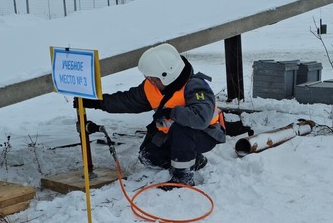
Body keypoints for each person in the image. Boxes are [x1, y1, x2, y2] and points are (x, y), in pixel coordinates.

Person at [81, 43, 226, 186]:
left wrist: (172, 112)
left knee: (181, 128)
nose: (151, 81)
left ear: (166, 76)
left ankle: (183, 177)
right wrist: (98, 103)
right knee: (148, 156)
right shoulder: (152, 87)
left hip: (205, 134)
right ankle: (193, 160)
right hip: (174, 136)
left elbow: (201, 117)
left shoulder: (195, 86)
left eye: (154, 78)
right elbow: (128, 101)